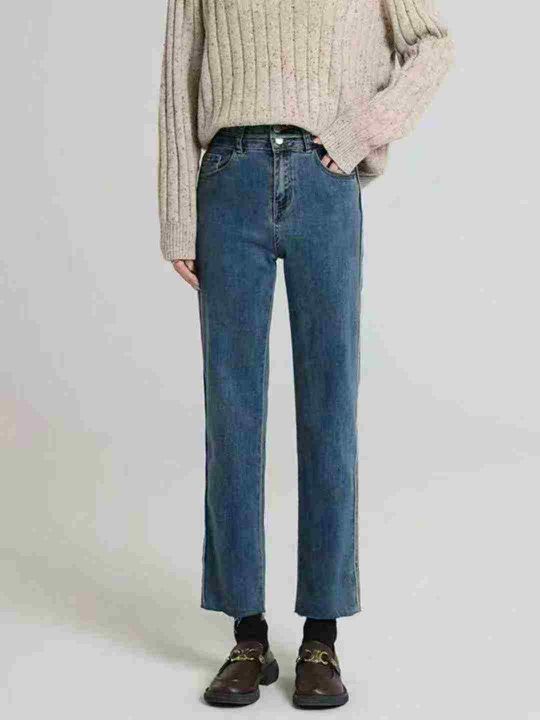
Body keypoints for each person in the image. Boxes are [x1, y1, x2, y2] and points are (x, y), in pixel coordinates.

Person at [157, 0, 454, 708]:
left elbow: (433, 45)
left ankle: (322, 637)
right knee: (232, 414)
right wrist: (176, 218)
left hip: (325, 180)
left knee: (329, 407)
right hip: (228, 179)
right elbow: (177, 79)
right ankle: (247, 637)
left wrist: (360, 132)